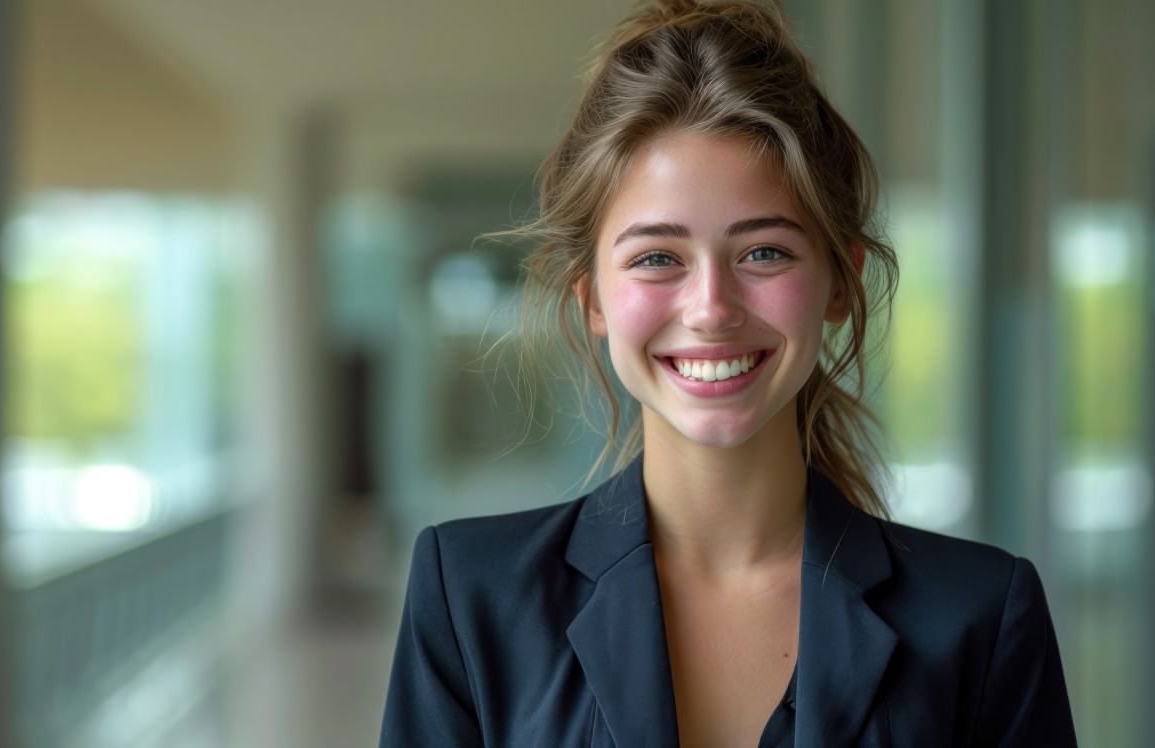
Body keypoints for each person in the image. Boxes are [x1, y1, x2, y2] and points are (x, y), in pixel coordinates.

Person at [380, 0, 1076, 745]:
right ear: (592, 300)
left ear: (841, 282)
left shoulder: (980, 617)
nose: (711, 308)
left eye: (764, 252)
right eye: (656, 259)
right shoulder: (469, 597)